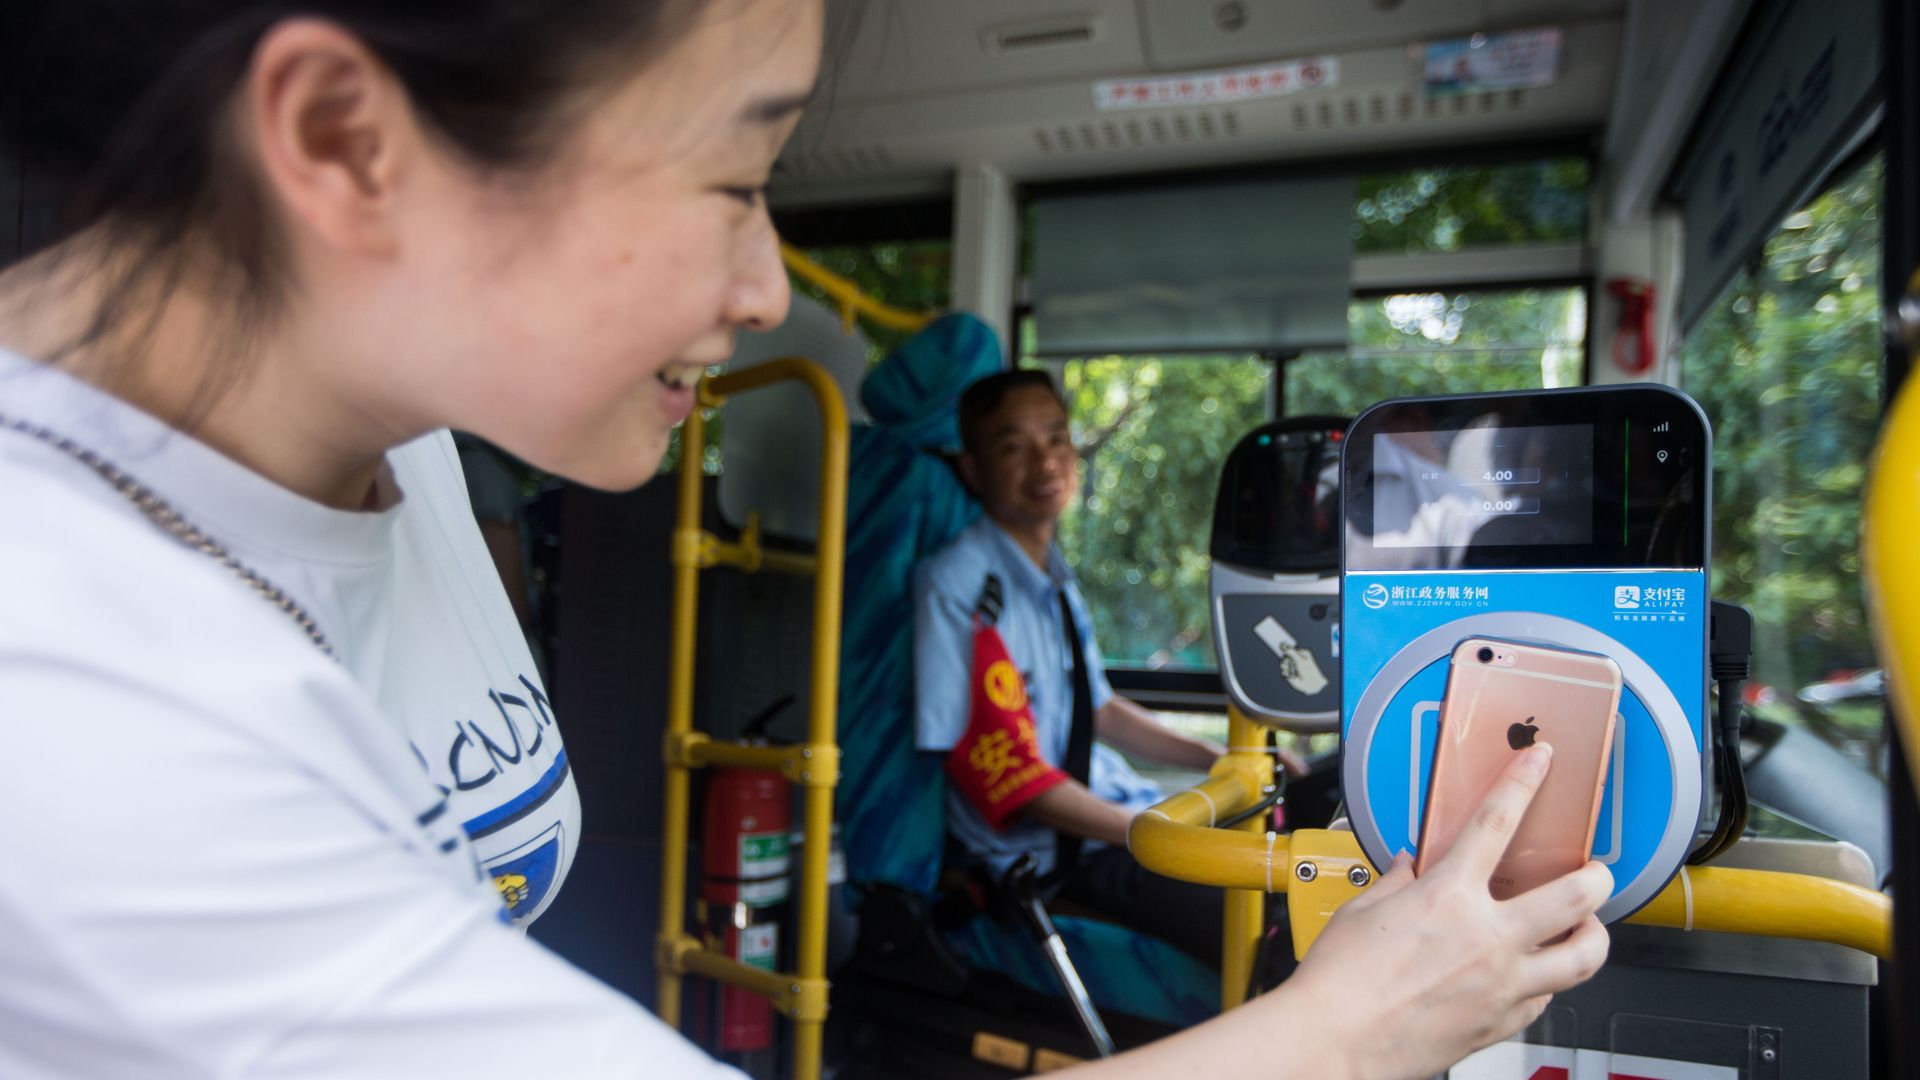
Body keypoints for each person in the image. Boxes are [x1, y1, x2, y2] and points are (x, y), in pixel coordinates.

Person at [0, 2, 1610, 1077]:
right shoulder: (69, 701)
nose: (769, 287)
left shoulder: (388, 442)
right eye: (735, 175)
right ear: (349, 144)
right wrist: (1360, 1023)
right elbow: (995, 767)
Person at [914, 368, 1307, 965]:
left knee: (1315, 806)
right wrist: (1153, 832)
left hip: (1119, 817)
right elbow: (1009, 775)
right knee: (1277, 921)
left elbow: (1096, 708)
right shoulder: (960, 587)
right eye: (1014, 445)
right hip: (1060, 857)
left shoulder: (1053, 579)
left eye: (1055, 437)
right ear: (972, 468)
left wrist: (1223, 758)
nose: (1045, 461)